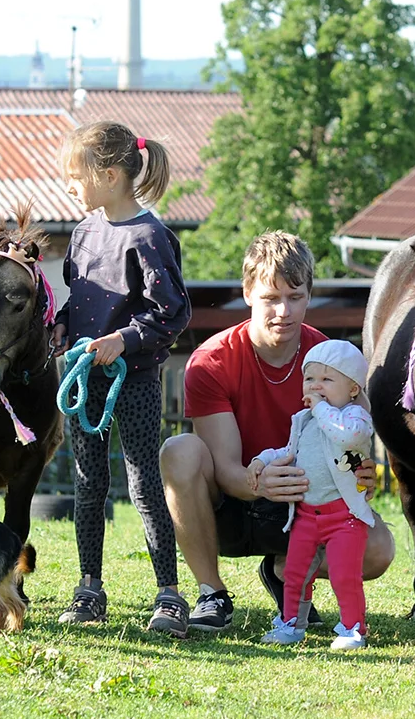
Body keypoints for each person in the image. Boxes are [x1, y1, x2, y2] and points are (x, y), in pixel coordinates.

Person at [162, 232, 394, 633]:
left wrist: (360, 475)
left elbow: (352, 441)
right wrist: (260, 481)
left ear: (309, 296)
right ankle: (211, 593)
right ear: (248, 292)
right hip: (232, 507)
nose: (283, 311)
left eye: (295, 296)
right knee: (179, 450)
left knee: (379, 549)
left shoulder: (330, 358)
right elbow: (224, 470)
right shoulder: (210, 362)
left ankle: (286, 571)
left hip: (303, 506)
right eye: (271, 297)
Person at [51, 122, 193, 636]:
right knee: (88, 486)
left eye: (75, 176)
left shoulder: (152, 237)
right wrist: (62, 325)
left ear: (109, 175)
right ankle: (89, 588)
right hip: (85, 378)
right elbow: (77, 299)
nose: (70, 186)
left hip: (131, 382)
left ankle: (168, 595)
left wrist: (124, 341)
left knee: (142, 483)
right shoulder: (84, 232)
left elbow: (172, 315)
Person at [256, 339, 376, 650]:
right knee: (295, 573)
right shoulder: (304, 420)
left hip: (344, 516)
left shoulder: (355, 417)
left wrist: (321, 408)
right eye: (310, 379)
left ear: (352, 389)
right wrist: (262, 460)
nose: (316, 386)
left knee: (343, 575)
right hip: (307, 514)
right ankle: (292, 623)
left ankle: (353, 629)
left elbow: (348, 437)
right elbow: (289, 451)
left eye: (327, 379)